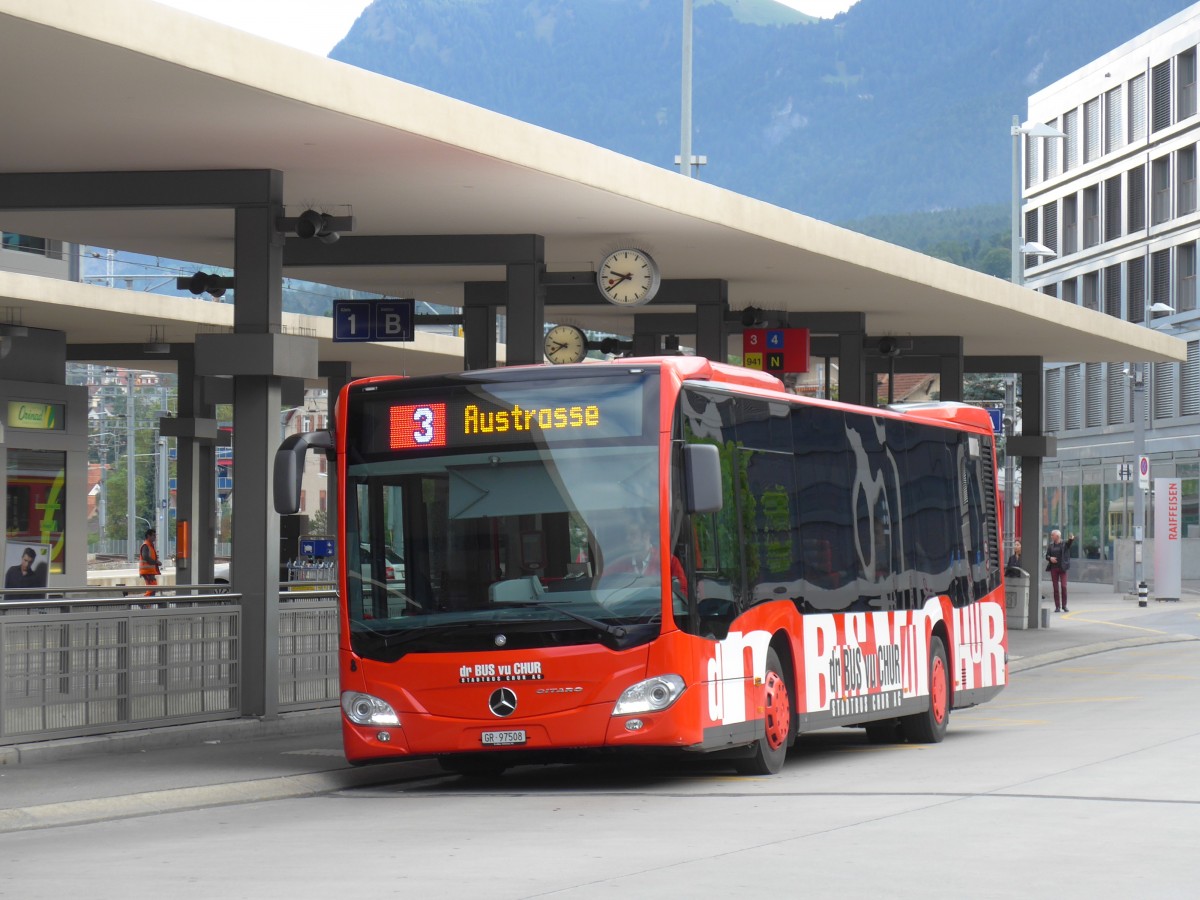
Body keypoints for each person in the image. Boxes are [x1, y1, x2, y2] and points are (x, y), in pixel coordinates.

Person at [1044, 529, 1075, 612]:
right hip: (1054, 568)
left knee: (1064, 586)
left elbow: (1069, 544)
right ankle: (1057, 606)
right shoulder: (1051, 545)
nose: (1051, 536)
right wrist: (1050, 558)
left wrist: (1071, 539)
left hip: (1062, 568)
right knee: (1055, 587)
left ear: (1057, 536)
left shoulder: (1064, 543)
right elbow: (1047, 555)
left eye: (1052, 535)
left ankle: (1064, 606)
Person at [139, 527, 162, 597]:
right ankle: (144, 603)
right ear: (148, 536)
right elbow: (145, 557)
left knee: (152, 588)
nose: (155, 537)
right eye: (153, 535)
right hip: (147, 571)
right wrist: (155, 562)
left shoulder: (149, 545)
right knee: (152, 588)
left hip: (149, 571)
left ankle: (147, 604)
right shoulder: (146, 545)